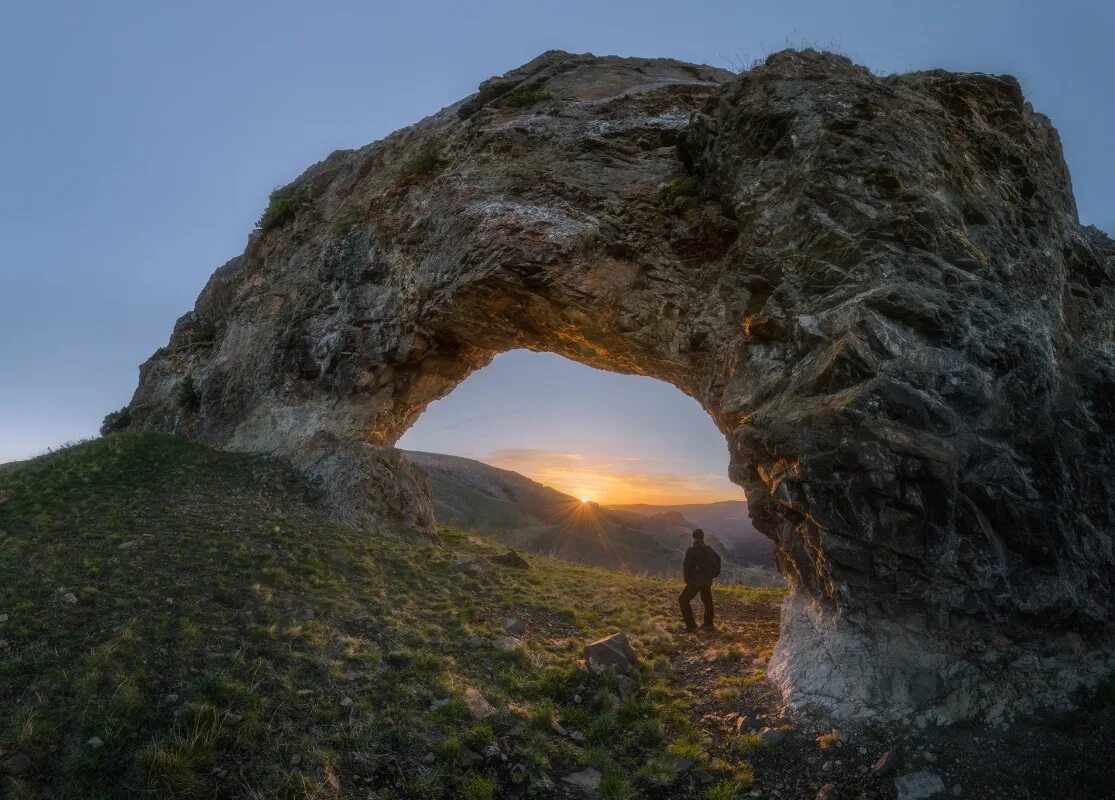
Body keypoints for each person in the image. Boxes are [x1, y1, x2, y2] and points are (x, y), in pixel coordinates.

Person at [679, 528, 721, 631]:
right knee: (707, 601)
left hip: (695, 581)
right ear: (702, 537)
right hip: (707, 580)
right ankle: (708, 624)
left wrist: (687, 580)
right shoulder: (708, 548)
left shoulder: (691, 550)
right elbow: (718, 558)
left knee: (683, 600)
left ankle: (691, 626)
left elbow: (686, 566)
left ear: (693, 537)